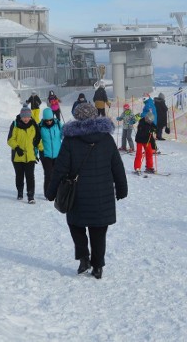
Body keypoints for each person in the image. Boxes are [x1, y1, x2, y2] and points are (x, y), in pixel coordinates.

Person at [46, 102, 127, 279]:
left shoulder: (70, 139)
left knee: (76, 225)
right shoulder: (106, 138)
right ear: (95, 116)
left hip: (77, 195)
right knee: (98, 231)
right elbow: (117, 166)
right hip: (102, 195)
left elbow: (60, 168)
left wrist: (51, 191)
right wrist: (122, 188)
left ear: (77, 117)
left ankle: (84, 258)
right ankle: (98, 266)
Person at [7, 106, 41, 203]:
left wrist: (42, 151)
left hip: (30, 155)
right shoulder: (15, 125)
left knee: (30, 176)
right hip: (17, 156)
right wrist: (17, 148)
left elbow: (38, 139)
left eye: (28, 117)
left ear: (30, 117)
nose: (26, 119)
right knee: (19, 175)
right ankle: (20, 192)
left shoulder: (34, 125)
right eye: (24, 117)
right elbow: (10, 140)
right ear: (21, 117)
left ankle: (31, 196)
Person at [38, 107, 64, 197]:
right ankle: (48, 193)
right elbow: (36, 141)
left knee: (57, 174)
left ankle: (58, 192)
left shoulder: (58, 124)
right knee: (48, 174)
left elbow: (62, 136)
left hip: (58, 154)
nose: (49, 122)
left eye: (50, 120)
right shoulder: (40, 126)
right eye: (47, 120)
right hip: (46, 155)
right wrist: (36, 153)